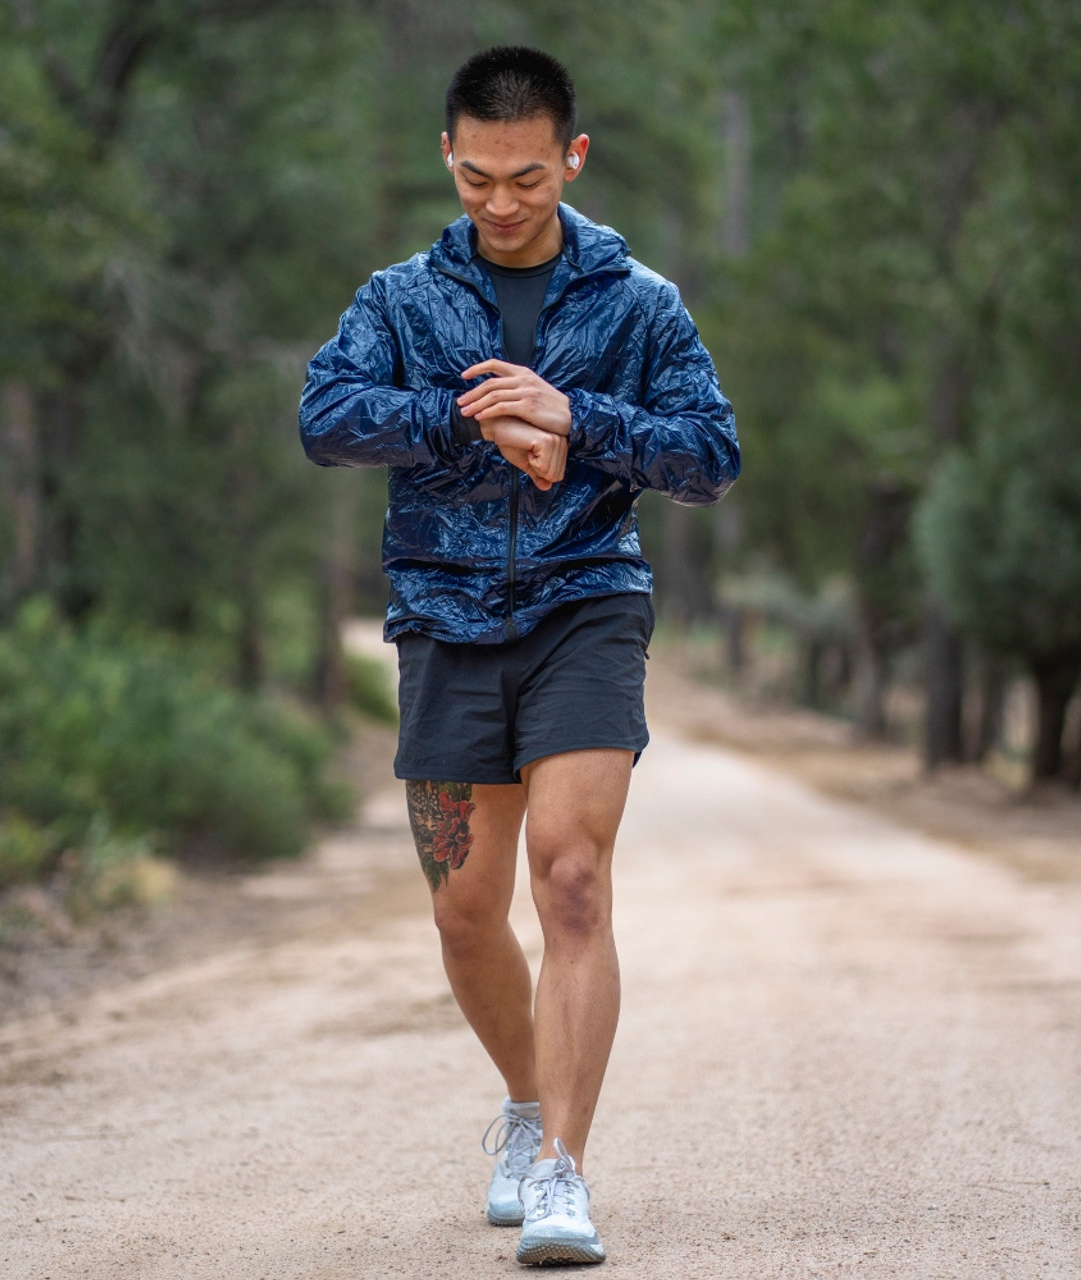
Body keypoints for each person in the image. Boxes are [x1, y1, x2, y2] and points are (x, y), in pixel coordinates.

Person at [298, 45, 739, 1267]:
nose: (500, 202)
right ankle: (526, 1104)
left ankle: (562, 1172)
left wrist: (575, 417)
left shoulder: (637, 299)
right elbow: (322, 416)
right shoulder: (398, 299)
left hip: (585, 603)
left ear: (572, 160)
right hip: (442, 619)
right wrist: (465, 413)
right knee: (461, 911)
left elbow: (711, 452)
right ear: (447, 155)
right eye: (478, 176)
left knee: (572, 880)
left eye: (528, 179)